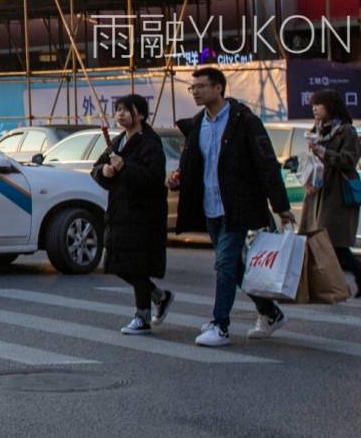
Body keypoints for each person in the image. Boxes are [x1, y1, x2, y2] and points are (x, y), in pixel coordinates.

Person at [169, 66, 295, 347]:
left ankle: (220, 325)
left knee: (225, 262)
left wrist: (281, 206)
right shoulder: (196, 124)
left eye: (201, 86)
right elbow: (194, 163)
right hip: (210, 206)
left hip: (238, 206)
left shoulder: (244, 121)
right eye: (193, 88)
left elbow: (266, 164)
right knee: (234, 267)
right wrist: (178, 178)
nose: (196, 92)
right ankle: (270, 312)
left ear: (218, 88)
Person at [92, 94, 172, 334]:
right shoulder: (118, 141)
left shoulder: (150, 143)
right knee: (118, 263)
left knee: (137, 266)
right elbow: (96, 168)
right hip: (119, 214)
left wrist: (125, 167)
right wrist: (104, 171)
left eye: (126, 110)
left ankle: (142, 316)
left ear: (140, 115)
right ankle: (159, 296)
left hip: (143, 216)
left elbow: (152, 179)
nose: (120, 114)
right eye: (117, 110)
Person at [300, 89, 361, 295]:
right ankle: (332, 286)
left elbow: (349, 160)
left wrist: (323, 152)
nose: (314, 109)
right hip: (317, 190)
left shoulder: (346, 131)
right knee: (320, 240)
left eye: (319, 104)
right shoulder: (316, 130)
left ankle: (344, 282)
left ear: (331, 106)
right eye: (313, 105)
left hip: (337, 193)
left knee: (334, 242)